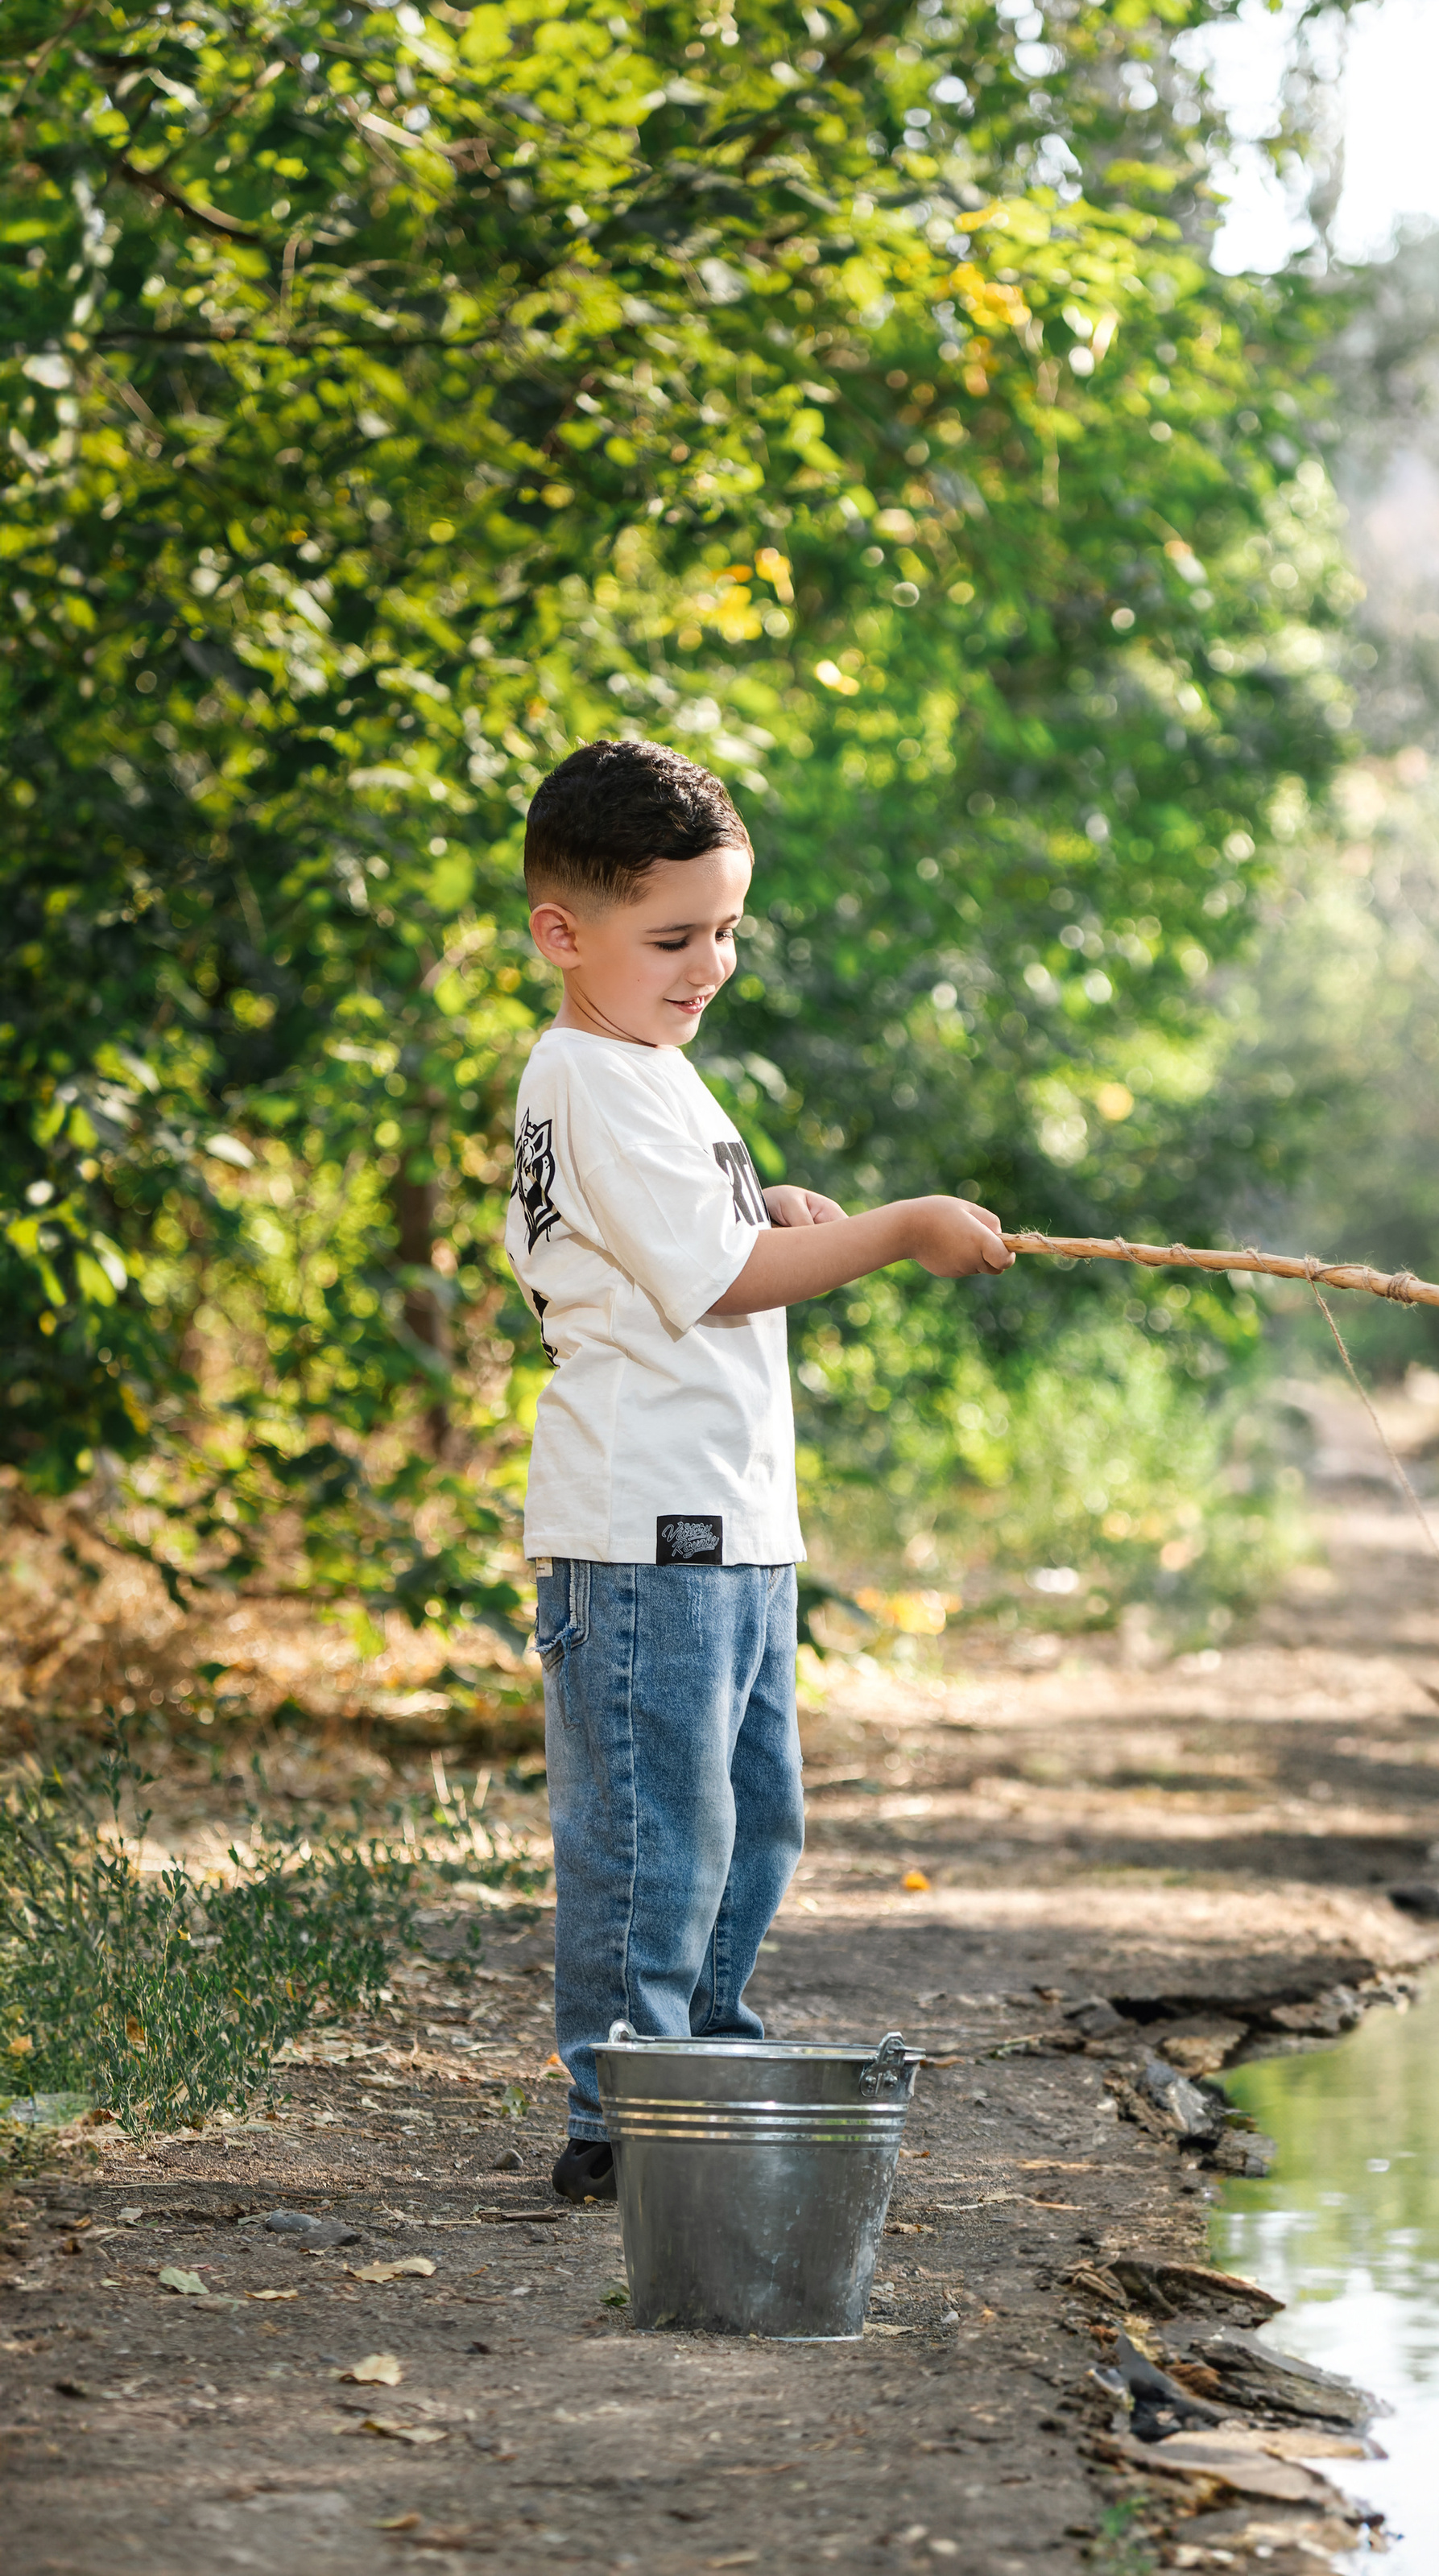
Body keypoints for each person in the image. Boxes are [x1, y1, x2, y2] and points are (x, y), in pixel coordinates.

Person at [507, 737, 1011, 2202]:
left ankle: (706, 2068)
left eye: (726, 930)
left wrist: (773, 1201)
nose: (710, 965)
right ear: (564, 933)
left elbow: (697, 1238)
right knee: (654, 1836)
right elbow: (721, 1281)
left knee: (748, 1818)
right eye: (674, 938)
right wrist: (901, 1228)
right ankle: (626, 2111)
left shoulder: (650, 1073)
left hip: (729, 1525)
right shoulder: (592, 1077)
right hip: (646, 1527)